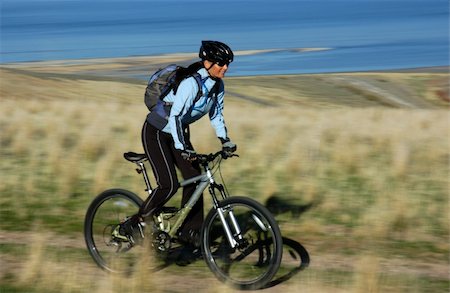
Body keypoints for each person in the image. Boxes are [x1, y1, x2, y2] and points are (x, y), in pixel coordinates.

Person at [117, 40, 237, 251]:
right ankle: (134, 223)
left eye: (227, 63)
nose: (225, 68)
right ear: (208, 62)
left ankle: (189, 232)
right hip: (156, 132)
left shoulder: (218, 85)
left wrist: (225, 140)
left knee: (194, 177)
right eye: (221, 64)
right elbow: (176, 116)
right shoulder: (191, 83)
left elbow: (216, 115)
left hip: (178, 133)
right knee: (169, 184)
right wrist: (183, 148)